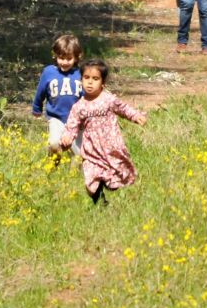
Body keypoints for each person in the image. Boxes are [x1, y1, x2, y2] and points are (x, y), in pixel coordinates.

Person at [59, 59, 147, 205]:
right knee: (91, 179)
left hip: (111, 147)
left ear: (103, 82)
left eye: (95, 79)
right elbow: (72, 126)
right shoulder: (79, 106)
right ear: (81, 80)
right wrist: (67, 138)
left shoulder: (108, 99)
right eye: (86, 78)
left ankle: (117, 193)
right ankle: (100, 202)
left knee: (117, 172)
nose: (90, 83)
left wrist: (135, 115)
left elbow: (123, 108)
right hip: (91, 150)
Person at [31, 34, 84, 156]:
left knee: (79, 154)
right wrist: (36, 108)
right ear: (55, 56)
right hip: (56, 117)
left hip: (77, 120)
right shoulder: (49, 72)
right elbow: (40, 92)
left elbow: (87, 96)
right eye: (61, 58)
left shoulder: (81, 74)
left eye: (69, 59)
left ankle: (73, 174)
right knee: (54, 143)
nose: (64, 62)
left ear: (77, 57)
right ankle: (53, 165)